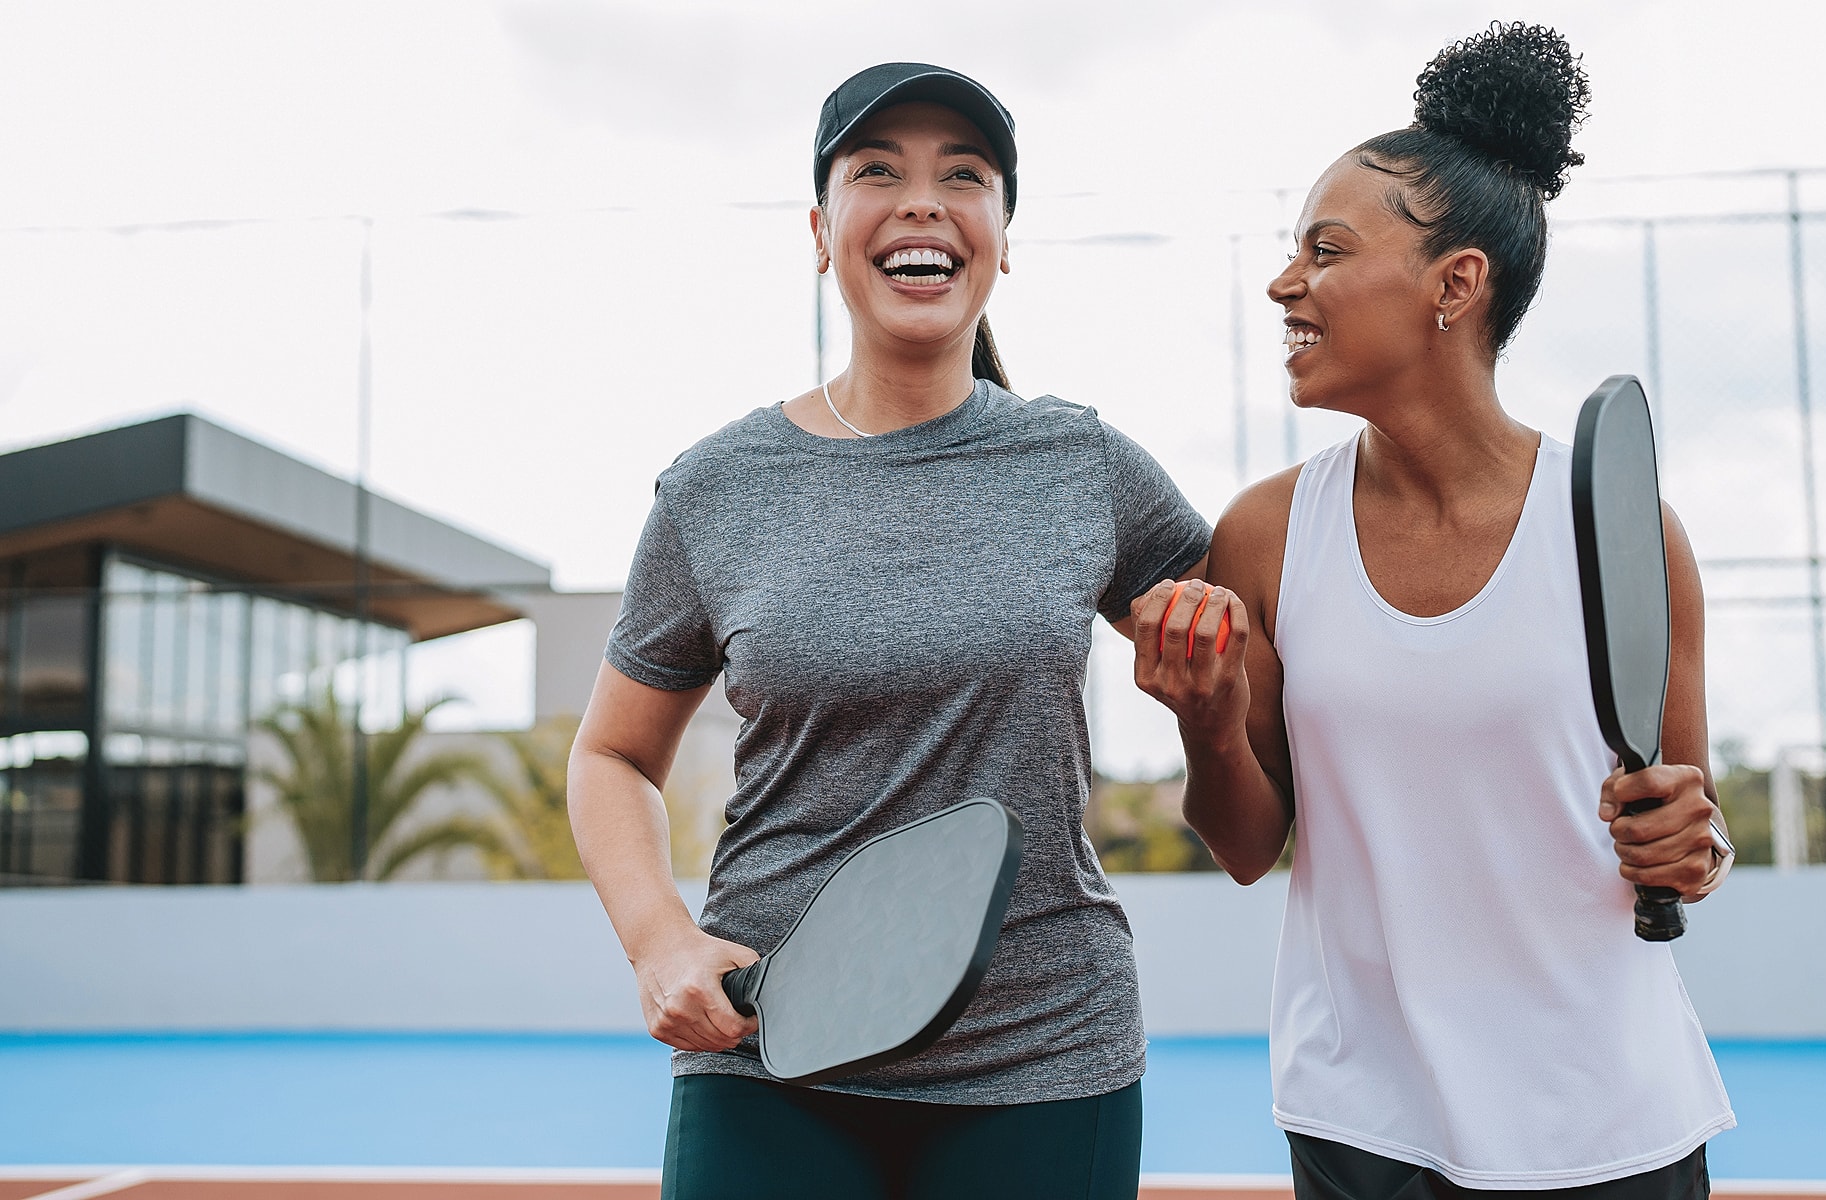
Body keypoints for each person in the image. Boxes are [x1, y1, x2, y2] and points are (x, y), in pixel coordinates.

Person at [568, 62, 1210, 1200]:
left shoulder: (1086, 464)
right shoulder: (717, 489)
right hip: (771, 1051)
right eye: (879, 172)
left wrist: (1217, 674)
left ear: (1003, 238)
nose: (922, 202)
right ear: (820, 232)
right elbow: (611, 752)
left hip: (1047, 1055)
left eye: (963, 176)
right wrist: (658, 937)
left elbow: (1262, 653)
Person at [1129, 24, 1736, 1199]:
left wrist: (1690, 842)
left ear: (1454, 284)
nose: (1283, 281)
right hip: (1365, 1126)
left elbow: (1691, 829)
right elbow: (1248, 846)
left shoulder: (1625, 529)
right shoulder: (1263, 534)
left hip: (1610, 1122)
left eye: (1326, 249)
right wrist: (1204, 723)